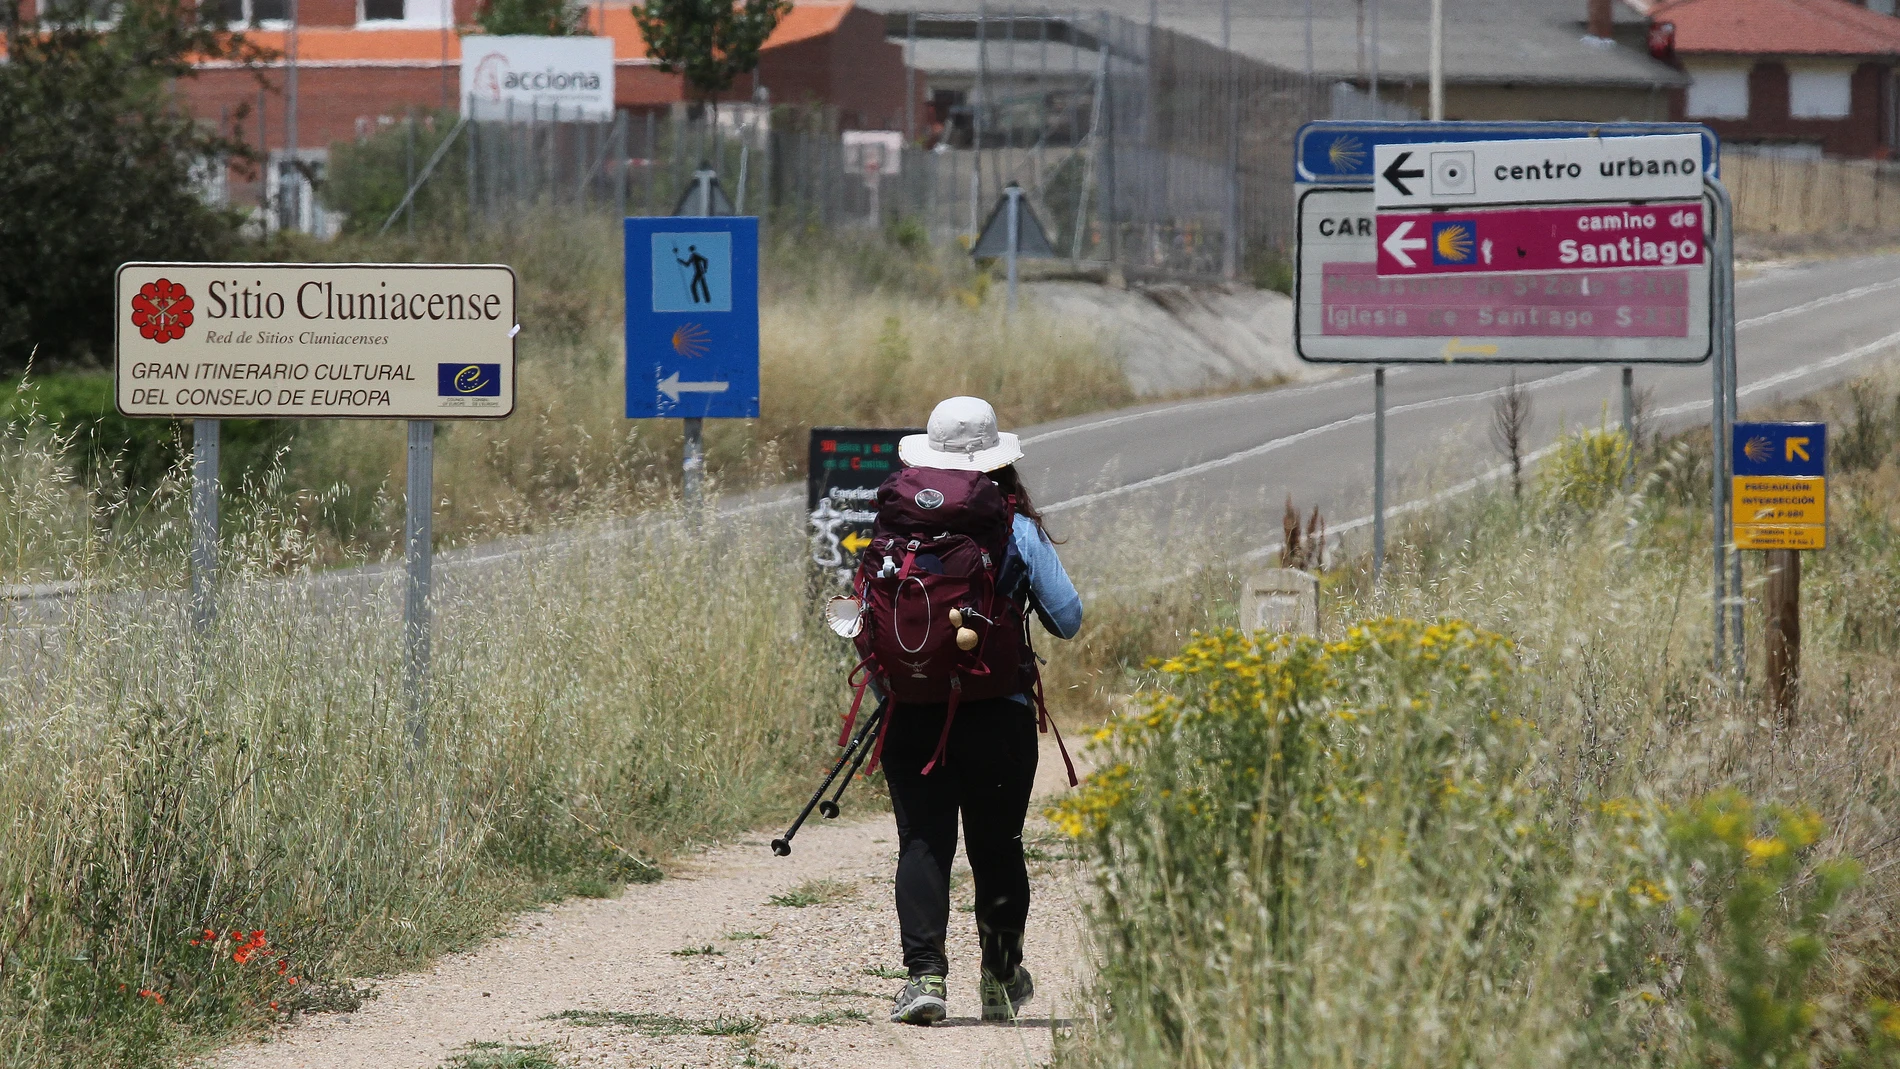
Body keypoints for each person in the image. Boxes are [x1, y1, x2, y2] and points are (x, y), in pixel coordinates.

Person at [883, 396, 1083, 1026]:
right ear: (998, 459)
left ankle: (924, 979)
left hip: (912, 706)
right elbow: (1068, 618)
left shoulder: (897, 528)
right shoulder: (1014, 528)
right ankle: (999, 979)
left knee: (922, 840)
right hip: (998, 711)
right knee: (997, 845)